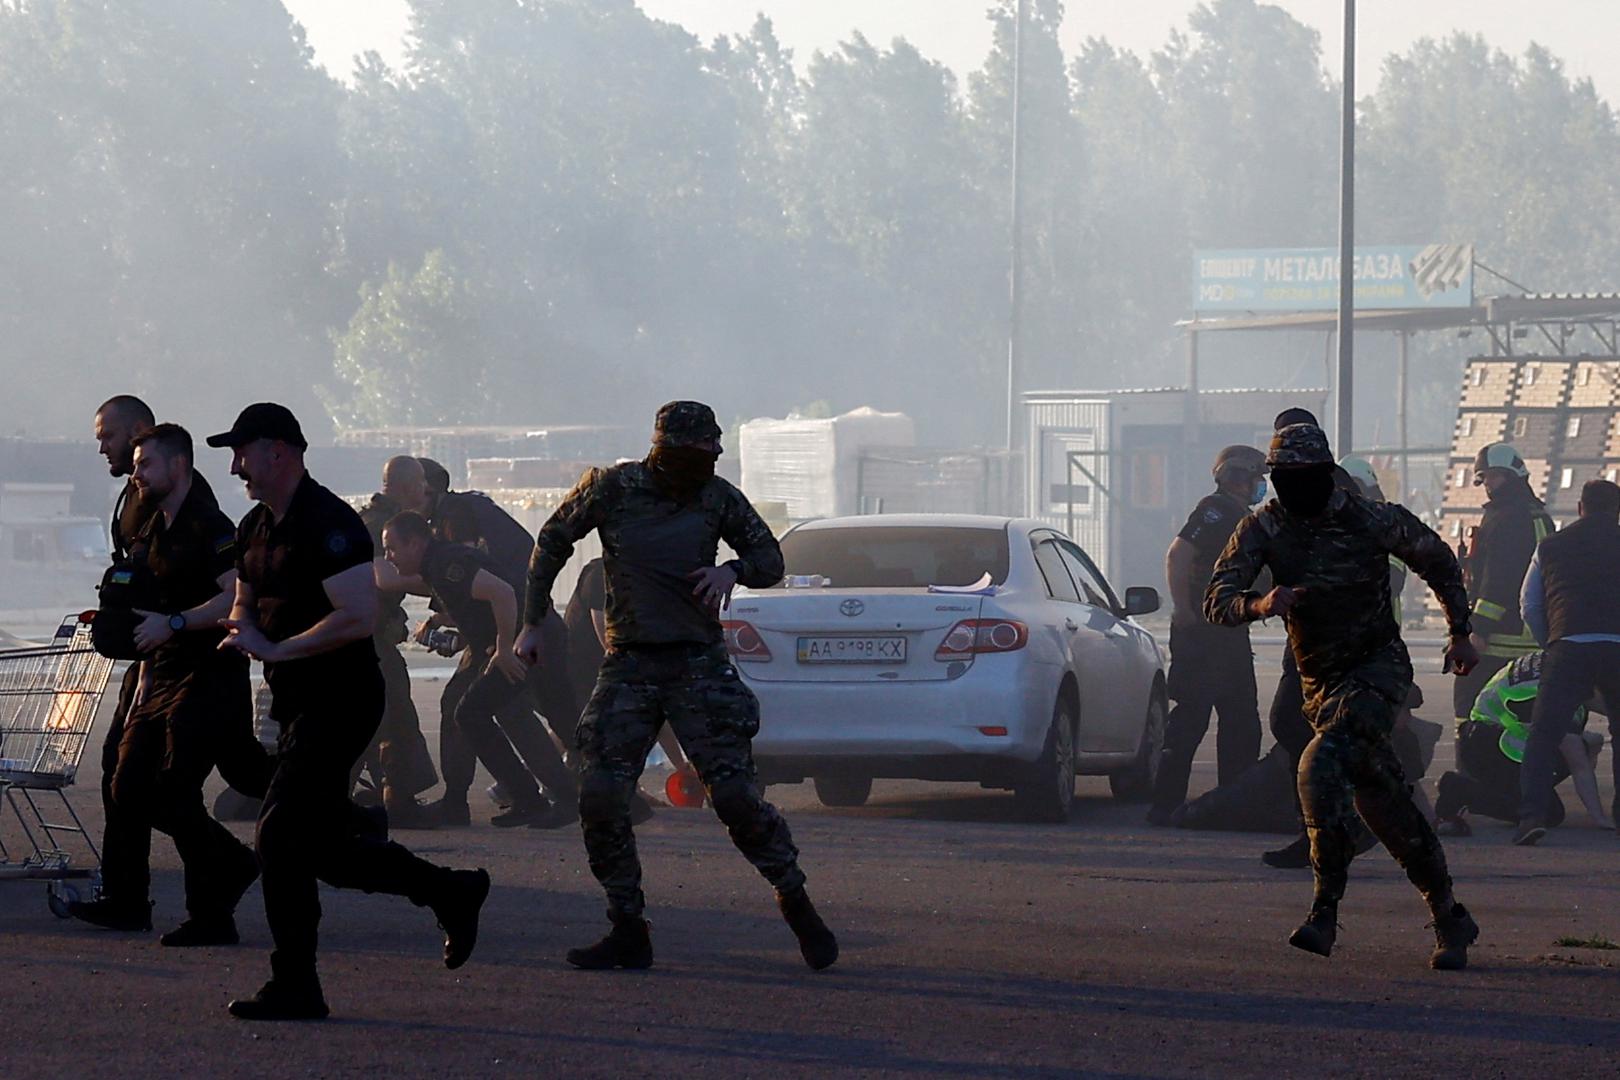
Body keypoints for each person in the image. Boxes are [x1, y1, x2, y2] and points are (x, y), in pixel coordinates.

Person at [517, 400, 837, 972]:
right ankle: (627, 926)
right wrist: (533, 620)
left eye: (707, 456)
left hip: (698, 663)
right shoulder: (614, 489)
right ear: (663, 450)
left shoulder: (717, 498)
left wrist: (731, 570)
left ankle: (793, 896)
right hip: (631, 663)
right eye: (689, 455)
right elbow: (552, 539)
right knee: (599, 793)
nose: (699, 466)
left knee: (736, 798)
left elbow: (770, 558)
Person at [208, 403, 489, 1021]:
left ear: (278, 451)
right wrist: (242, 628)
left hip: (342, 699)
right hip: (295, 699)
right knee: (324, 849)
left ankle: (296, 985)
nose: (234, 466)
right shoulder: (256, 524)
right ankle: (451, 890)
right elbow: (243, 601)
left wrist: (278, 646)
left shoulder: (329, 522)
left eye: (243, 451)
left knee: (278, 835)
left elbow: (358, 617)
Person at [1205, 422, 1481, 970]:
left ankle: (1323, 911)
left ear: (1326, 475)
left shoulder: (1369, 517)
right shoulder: (1264, 525)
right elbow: (1217, 599)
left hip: (1378, 668)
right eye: (1282, 479)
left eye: (1303, 478)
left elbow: (1439, 560)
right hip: (1321, 683)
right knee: (1383, 801)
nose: (1293, 488)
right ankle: (1450, 915)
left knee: (1320, 763)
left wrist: (1460, 632)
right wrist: (1261, 605)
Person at [382, 510, 576, 828]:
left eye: (392, 548)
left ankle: (537, 800)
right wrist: (456, 634)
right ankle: (548, 800)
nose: (389, 557)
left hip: (531, 639)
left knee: (472, 712)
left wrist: (501, 649)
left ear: (414, 543)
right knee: (555, 716)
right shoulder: (437, 565)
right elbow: (480, 607)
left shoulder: (446, 564)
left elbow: (503, 593)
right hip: (535, 635)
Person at [70, 395, 161, 931]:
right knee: (124, 773)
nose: (102, 447)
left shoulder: (165, 496)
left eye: (108, 435)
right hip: (146, 653)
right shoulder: (131, 495)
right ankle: (127, 894)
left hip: (174, 657)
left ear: (140, 431)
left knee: (137, 777)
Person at [1147, 444, 1267, 824]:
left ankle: (1232, 804)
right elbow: (1177, 555)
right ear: (1237, 477)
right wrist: (1184, 610)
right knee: (1190, 721)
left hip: (1230, 633)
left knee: (1241, 722)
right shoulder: (1213, 512)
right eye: (1255, 479)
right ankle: (1165, 805)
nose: (1260, 486)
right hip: (1204, 634)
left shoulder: (1240, 515)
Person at [1513, 478, 1620, 846]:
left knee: (1543, 734)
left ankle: (1531, 817)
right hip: (1617, 646)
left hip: (1568, 645)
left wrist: (1553, 643)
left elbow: (1529, 605)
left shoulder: (1550, 547)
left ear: (1580, 507)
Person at [1436, 651, 1610, 835]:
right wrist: (1600, 818)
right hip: (1488, 749)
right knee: (1549, 813)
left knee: (1591, 741)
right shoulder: (1555, 698)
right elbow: (1579, 765)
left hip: (1486, 735)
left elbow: (1599, 702)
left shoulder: (1559, 661)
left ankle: (1512, 789)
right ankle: (1459, 789)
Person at [565, 555, 687, 817]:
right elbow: (606, 635)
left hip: (607, 661)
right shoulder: (599, 575)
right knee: (584, 727)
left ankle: (680, 773)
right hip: (581, 662)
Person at [353, 456, 440, 826]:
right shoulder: (383, 528)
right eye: (421, 484)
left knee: (385, 715)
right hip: (366, 636)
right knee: (394, 714)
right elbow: (381, 582)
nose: (425, 492)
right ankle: (398, 801)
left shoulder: (366, 521)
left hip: (362, 632)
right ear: (406, 486)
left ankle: (394, 796)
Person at [1455, 444, 1552, 730]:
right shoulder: (1536, 515)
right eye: (1484, 478)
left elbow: (1500, 578)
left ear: (1513, 476)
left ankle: (1472, 766)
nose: (1488, 484)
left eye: (1493, 477)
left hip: (1502, 635)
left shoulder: (1507, 519)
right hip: (1531, 633)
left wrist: (1480, 628)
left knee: (1470, 702)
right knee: (1521, 712)